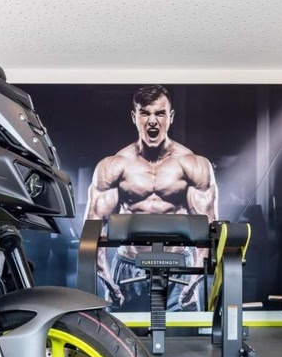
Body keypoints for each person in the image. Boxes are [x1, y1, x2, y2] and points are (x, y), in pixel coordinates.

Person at [85, 85, 218, 311]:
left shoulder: (193, 165)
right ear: (134, 117)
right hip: (128, 266)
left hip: (179, 268)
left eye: (160, 113)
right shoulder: (114, 166)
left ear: (171, 117)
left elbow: (208, 229)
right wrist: (106, 278)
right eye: (145, 113)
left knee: (183, 333)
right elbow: (94, 228)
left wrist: (195, 281)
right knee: (119, 333)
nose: (153, 121)